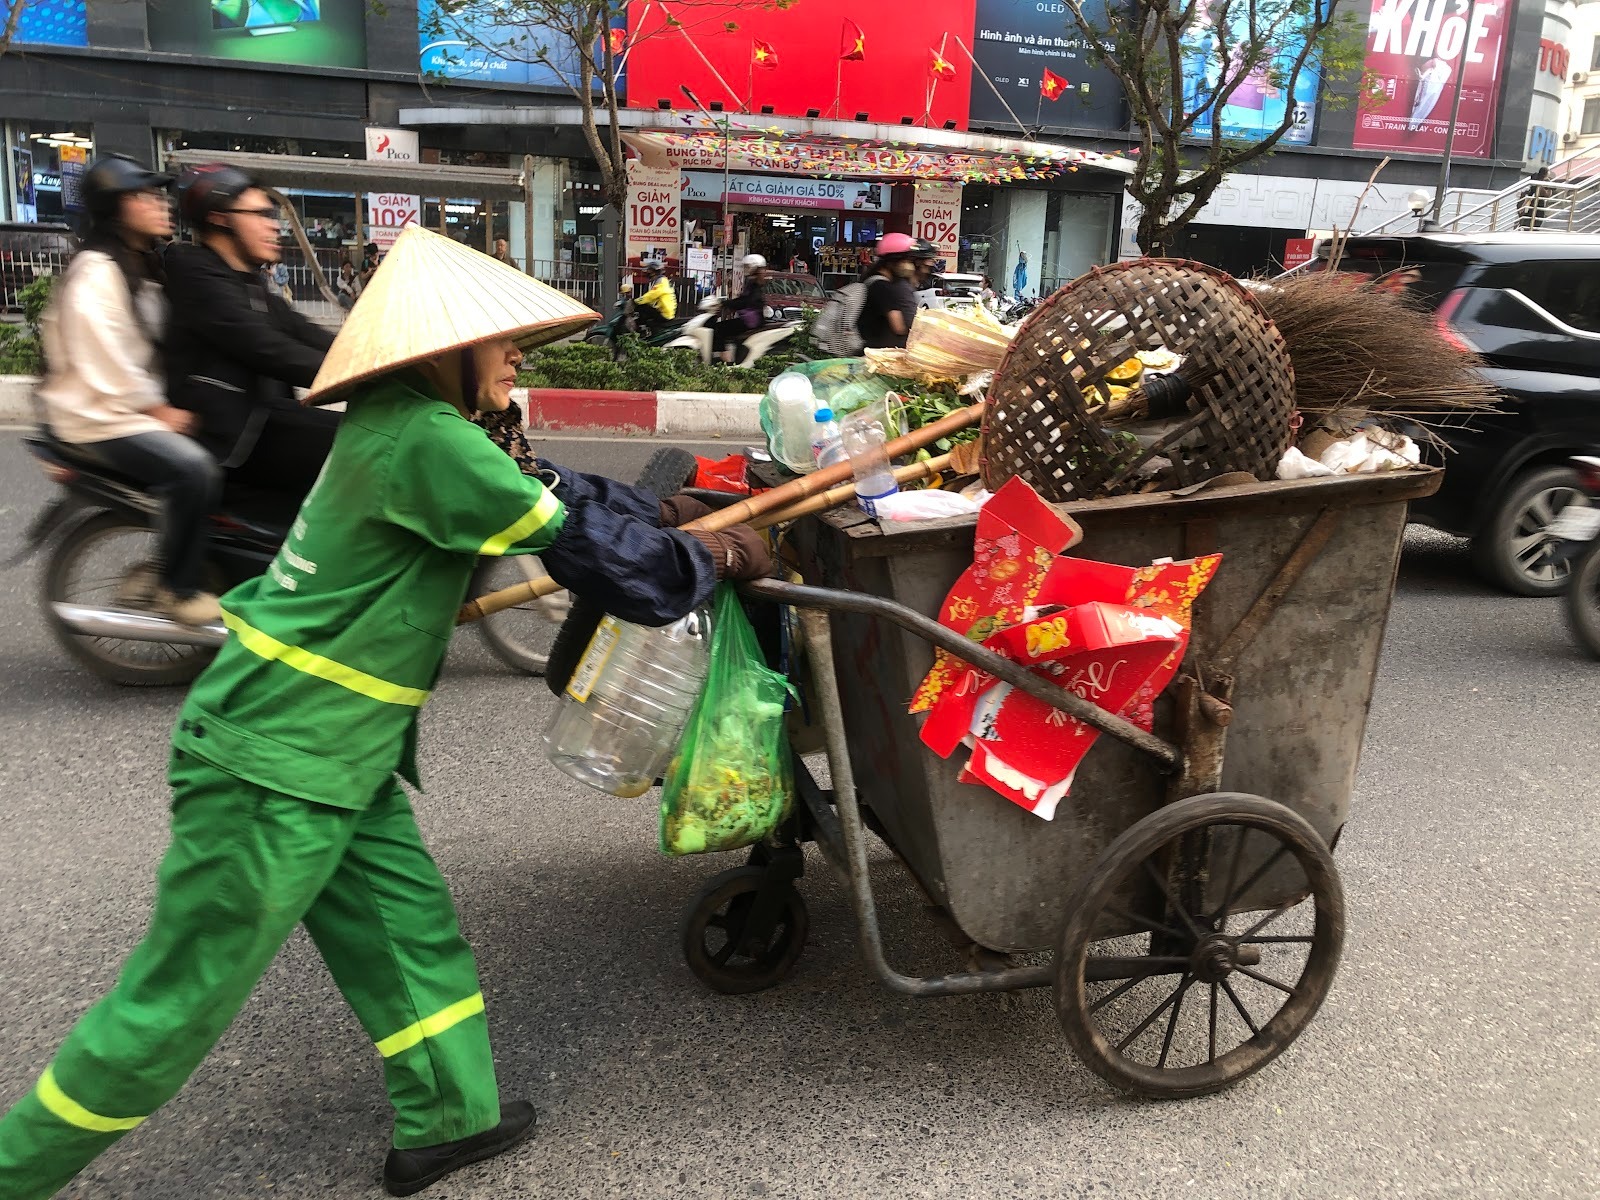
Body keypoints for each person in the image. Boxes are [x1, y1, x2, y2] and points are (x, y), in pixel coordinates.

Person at [0, 224, 774, 1200]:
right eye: (499, 343)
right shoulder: (432, 442)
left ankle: (450, 1119)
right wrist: (717, 553)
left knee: (406, 932)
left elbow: (559, 494)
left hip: (336, 750)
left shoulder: (409, 420)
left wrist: (660, 511)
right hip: (276, 758)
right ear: (446, 350)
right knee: (173, 1006)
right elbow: (626, 576)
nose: (515, 358)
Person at [35, 154, 223, 626]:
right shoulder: (96, 270)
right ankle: (177, 590)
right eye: (145, 196)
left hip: (120, 408)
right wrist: (157, 408)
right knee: (193, 470)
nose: (161, 205)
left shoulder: (142, 263)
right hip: (97, 417)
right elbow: (105, 356)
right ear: (117, 208)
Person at [164, 163, 338, 514]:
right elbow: (264, 345)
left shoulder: (247, 280)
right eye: (260, 215)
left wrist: (378, 355)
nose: (274, 226)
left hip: (267, 418)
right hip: (235, 436)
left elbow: (301, 330)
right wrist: (352, 374)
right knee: (368, 447)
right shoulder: (196, 274)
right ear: (220, 218)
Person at [855, 232, 921, 351]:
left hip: (871, 348)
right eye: (905, 261)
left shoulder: (872, 281)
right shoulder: (883, 287)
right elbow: (899, 327)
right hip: (876, 353)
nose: (909, 266)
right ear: (891, 262)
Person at [712, 253, 770, 363]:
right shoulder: (753, 281)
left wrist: (726, 304)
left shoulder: (755, 283)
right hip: (750, 319)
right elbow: (743, 300)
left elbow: (746, 302)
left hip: (751, 321)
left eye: (748, 266)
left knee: (719, 329)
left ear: (753, 267)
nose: (746, 269)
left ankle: (726, 361)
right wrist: (727, 304)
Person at [634, 260, 677, 334]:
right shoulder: (662, 280)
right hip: (666, 311)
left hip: (664, 313)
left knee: (642, 308)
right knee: (645, 308)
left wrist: (635, 301)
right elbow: (653, 298)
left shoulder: (661, 282)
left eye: (649, 270)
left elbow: (650, 296)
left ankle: (641, 331)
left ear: (654, 272)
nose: (647, 272)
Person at [1518, 166, 1553, 231]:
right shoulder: (1546, 181)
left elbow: (1530, 194)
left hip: (1533, 202)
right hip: (1540, 203)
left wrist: (1523, 206)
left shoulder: (1536, 180)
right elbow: (1548, 194)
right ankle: (1532, 230)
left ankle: (1527, 229)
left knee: (1531, 217)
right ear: (1546, 173)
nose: (1549, 173)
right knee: (1537, 219)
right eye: (1548, 171)